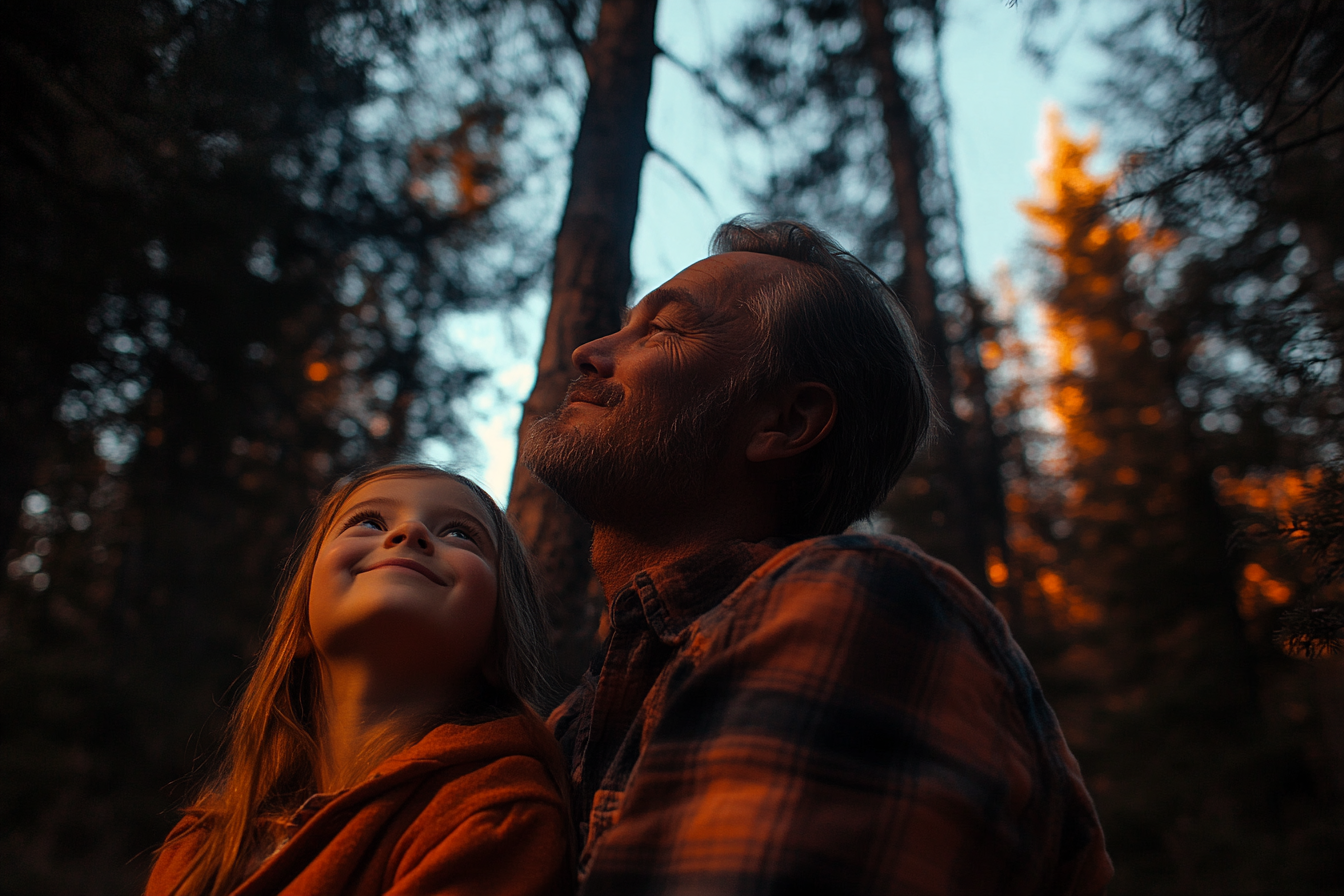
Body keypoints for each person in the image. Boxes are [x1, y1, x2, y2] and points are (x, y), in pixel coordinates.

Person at [522, 218, 1113, 895]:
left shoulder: (859, 605)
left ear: (785, 423)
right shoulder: (568, 726)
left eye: (663, 329)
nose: (589, 352)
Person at [145, 464, 572, 896]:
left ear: (501, 635)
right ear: (300, 628)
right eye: (369, 521)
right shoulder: (199, 844)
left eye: (460, 533)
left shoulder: (496, 807)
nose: (411, 531)